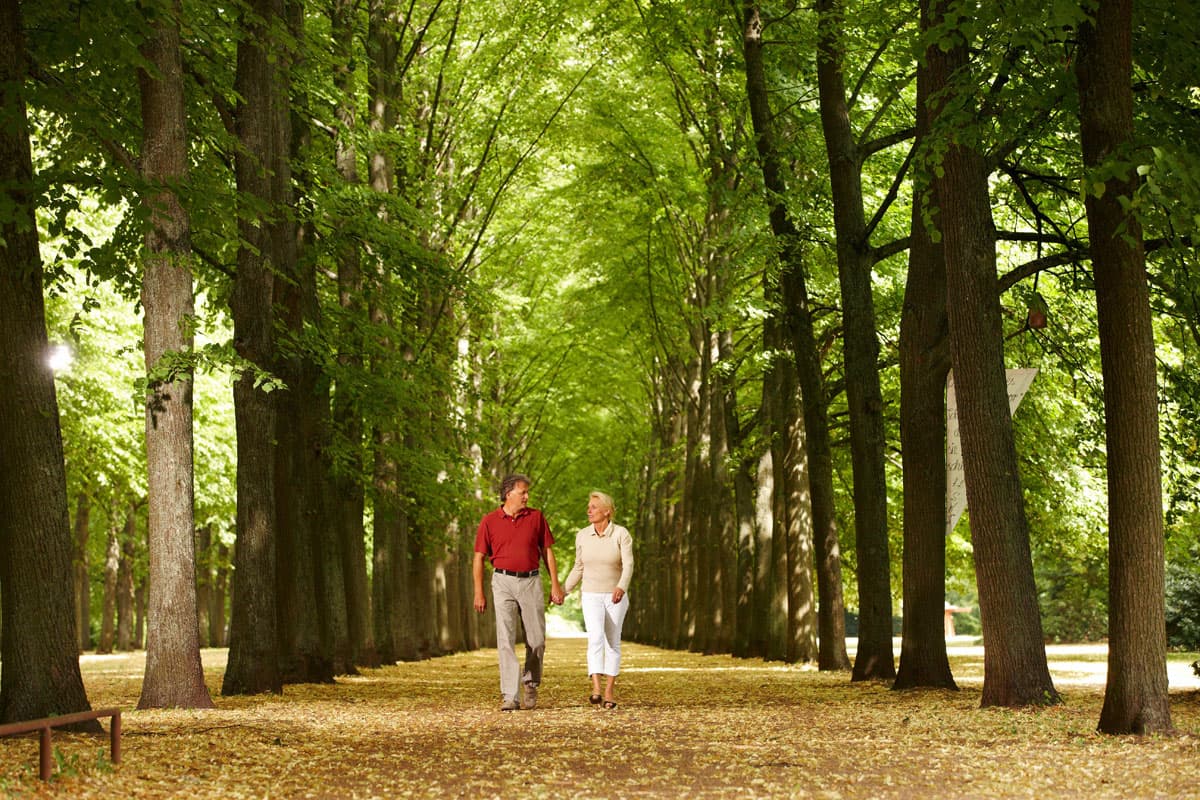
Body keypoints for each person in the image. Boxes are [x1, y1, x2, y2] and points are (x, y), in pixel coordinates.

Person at [473, 473, 564, 711]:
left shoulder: (536, 517)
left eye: (527, 492)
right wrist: (478, 592)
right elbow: (479, 558)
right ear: (508, 493)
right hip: (502, 581)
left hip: (531, 581)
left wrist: (555, 584)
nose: (527, 496)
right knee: (505, 639)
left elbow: (547, 552)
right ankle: (510, 695)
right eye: (523, 492)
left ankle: (531, 682)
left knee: (536, 640)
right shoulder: (489, 521)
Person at [562, 491, 633, 710]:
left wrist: (621, 586)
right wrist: (562, 590)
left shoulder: (621, 534)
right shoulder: (582, 535)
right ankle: (596, 688)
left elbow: (629, 565)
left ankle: (609, 691)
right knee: (595, 638)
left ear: (607, 511)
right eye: (589, 506)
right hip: (590, 594)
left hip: (615, 595)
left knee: (613, 642)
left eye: (594, 507)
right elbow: (578, 567)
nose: (589, 510)